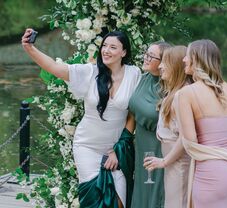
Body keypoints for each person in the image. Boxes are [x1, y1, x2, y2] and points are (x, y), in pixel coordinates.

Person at [22, 29, 141, 208]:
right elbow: (55, 68)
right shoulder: (90, 73)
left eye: (113, 47)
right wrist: (29, 48)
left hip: (116, 148)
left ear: (124, 52)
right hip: (87, 146)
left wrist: (118, 148)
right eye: (104, 46)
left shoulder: (134, 74)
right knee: (93, 200)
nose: (106, 50)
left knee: (119, 200)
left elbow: (133, 113)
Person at [145, 39, 227, 208]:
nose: (184, 60)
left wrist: (165, 161)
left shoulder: (185, 94)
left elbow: (190, 141)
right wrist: (218, 135)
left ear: (197, 59)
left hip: (210, 174)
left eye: (187, 56)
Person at [144, 45, 191, 208]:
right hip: (173, 162)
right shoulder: (173, 92)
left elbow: (185, 137)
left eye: (165, 62)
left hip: (180, 163)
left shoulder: (182, 95)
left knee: (177, 203)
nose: (161, 66)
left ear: (176, 66)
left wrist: (164, 161)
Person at [128, 41, 170, 208]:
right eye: (146, 53)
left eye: (151, 56)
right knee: (141, 191)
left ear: (164, 62)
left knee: (156, 194)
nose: (146, 58)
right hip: (142, 147)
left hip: (160, 148)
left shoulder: (169, 88)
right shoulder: (142, 79)